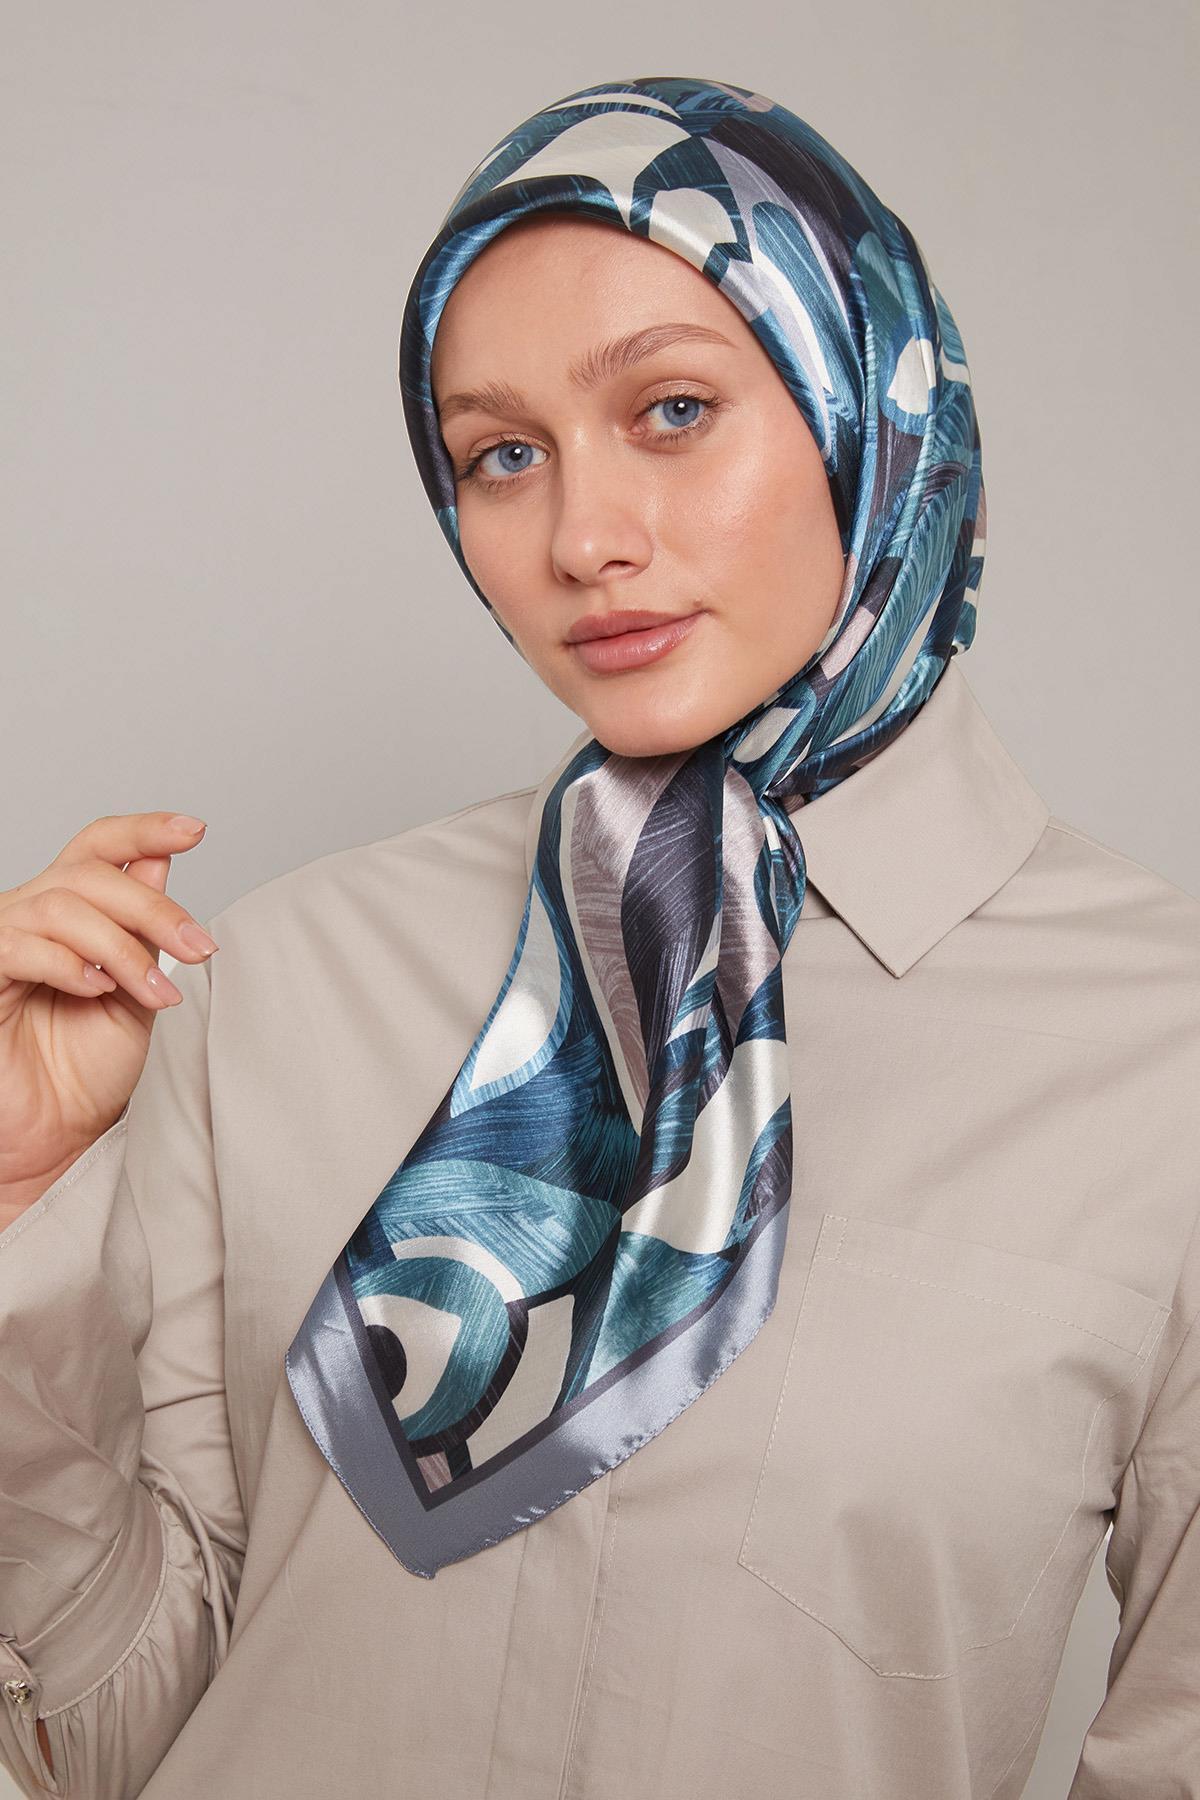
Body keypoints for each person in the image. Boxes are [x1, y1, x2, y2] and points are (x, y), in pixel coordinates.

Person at [0, 73, 1196, 1800]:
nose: (582, 539)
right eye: (503, 456)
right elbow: (107, 1740)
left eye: (675, 410)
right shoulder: (285, 979)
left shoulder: (1163, 1058)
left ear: (868, 402)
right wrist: (17, 1203)